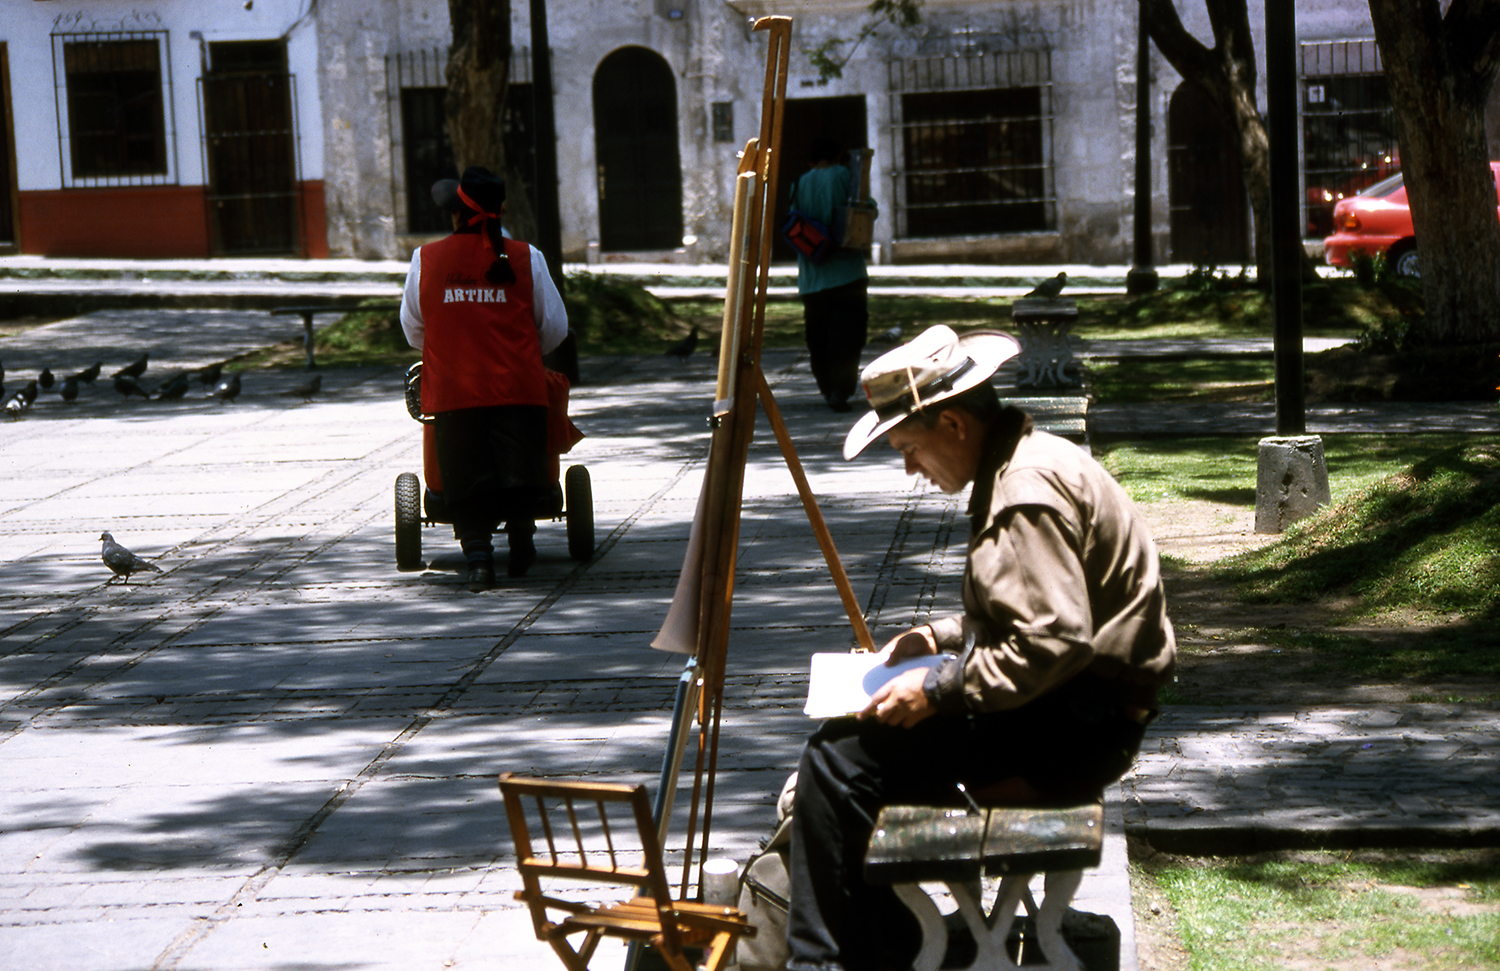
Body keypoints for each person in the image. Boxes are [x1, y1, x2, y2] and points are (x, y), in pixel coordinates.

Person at [785, 324, 1177, 971]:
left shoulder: (1024, 492)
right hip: (1077, 712)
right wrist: (938, 637)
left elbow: (1052, 639)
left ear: (954, 425)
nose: (911, 467)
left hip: (1077, 730)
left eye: (910, 448)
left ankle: (829, 962)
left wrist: (937, 688)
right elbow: (1032, 606)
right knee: (848, 750)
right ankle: (883, 948)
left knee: (836, 763)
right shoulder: (1026, 460)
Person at [400, 166, 569, 590]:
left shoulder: (425, 260)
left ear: (457, 214)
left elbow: (413, 329)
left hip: (454, 392)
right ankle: (521, 543)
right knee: (520, 473)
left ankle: (478, 560)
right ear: (501, 209)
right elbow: (554, 328)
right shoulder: (528, 257)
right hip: (519, 391)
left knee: (465, 477)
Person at [789, 137, 875, 413]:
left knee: (819, 337)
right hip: (848, 272)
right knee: (848, 336)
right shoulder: (845, 175)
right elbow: (868, 209)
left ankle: (827, 388)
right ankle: (841, 389)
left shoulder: (799, 183)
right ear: (839, 157)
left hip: (812, 276)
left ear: (810, 161)